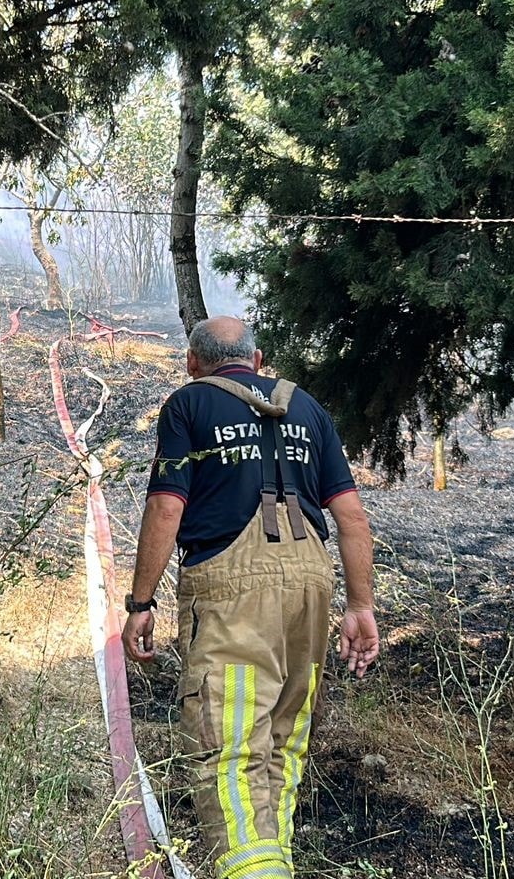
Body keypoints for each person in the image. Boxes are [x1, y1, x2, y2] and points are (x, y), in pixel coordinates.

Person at [124, 315, 380, 879]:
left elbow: (166, 507)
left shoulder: (188, 405)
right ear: (257, 360)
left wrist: (141, 604)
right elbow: (352, 517)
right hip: (311, 586)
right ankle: (273, 865)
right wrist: (360, 607)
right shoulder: (306, 407)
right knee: (283, 745)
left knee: (229, 748)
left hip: (231, 591)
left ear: (193, 362)